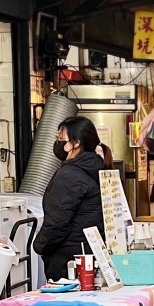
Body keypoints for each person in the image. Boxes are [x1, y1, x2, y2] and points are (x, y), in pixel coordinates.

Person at [33, 116, 113, 281]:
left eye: (61, 139)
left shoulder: (69, 175)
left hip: (69, 260)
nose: (57, 143)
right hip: (92, 255)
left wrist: (39, 246)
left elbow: (57, 222)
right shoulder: (97, 168)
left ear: (76, 143)